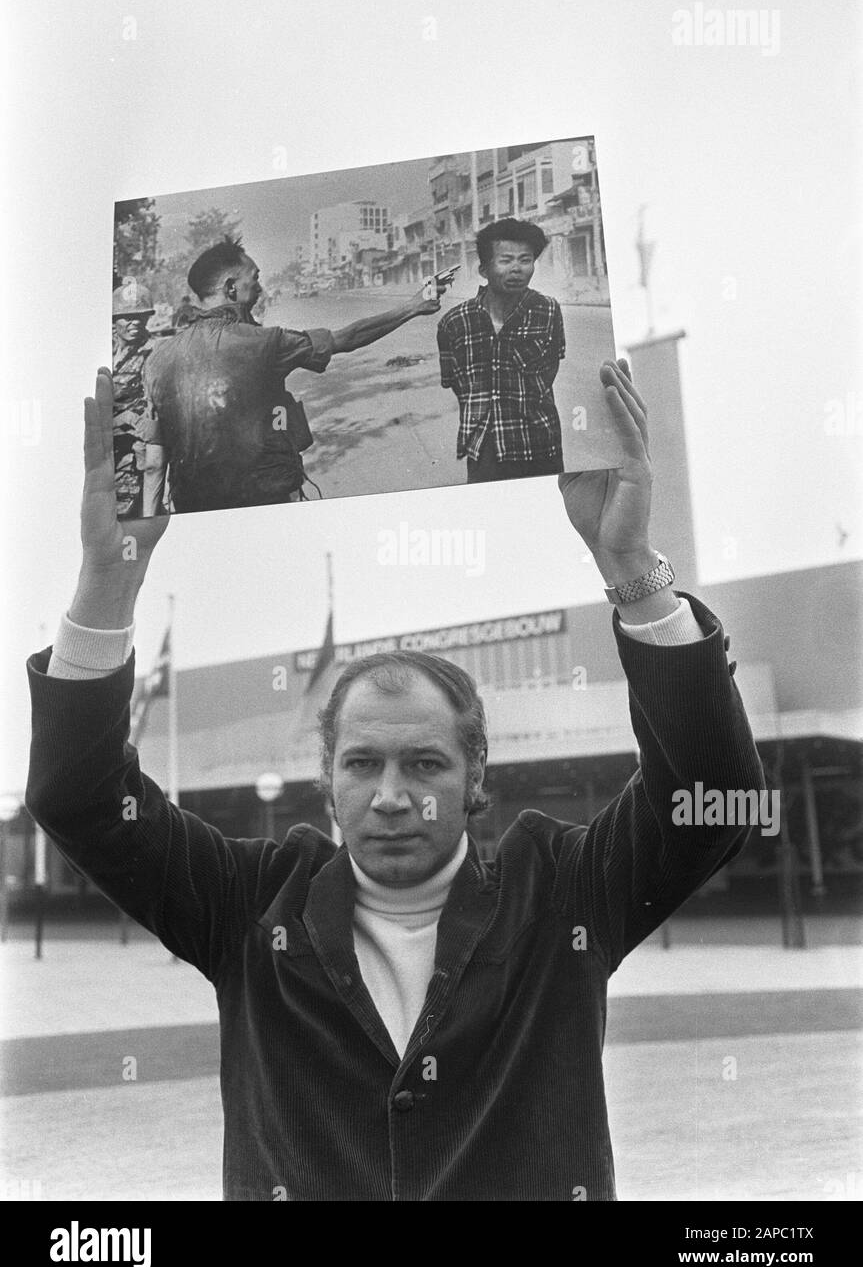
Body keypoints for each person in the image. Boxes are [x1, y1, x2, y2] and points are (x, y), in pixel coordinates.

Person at [25, 357, 765, 1201]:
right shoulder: (246, 906)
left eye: (424, 763)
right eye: (362, 763)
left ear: (474, 770)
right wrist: (106, 582)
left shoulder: (559, 895)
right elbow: (77, 797)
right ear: (326, 777)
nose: (390, 795)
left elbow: (709, 797)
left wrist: (629, 562)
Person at [141, 235, 446, 512]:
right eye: (255, 279)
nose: (260, 288)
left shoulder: (157, 360)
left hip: (193, 511)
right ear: (231, 288)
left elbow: (155, 463)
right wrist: (413, 306)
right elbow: (347, 338)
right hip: (264, 502)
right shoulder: (265, 343)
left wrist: (148, 526)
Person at [437, 217, 566, 483]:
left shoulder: (548, 310)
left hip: (540, 446)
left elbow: (550, 369)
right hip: (485, 452)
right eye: (506, 260)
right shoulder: (454, 323)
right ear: (484, 269)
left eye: (525, 260)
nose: (517, 269)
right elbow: (456, 383)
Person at [110, 282, 167, 520]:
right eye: (127, 317)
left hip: (134, 447)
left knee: (126, 510)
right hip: (104, 442)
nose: (134, 323)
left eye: (140, 317)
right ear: (114, 321)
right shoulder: (106, 349)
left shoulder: (154, 351)